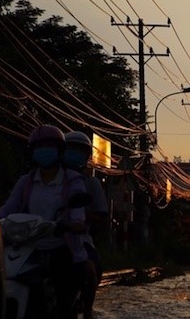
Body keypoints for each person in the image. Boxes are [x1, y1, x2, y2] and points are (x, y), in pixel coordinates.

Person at [0, 124, 89, 318]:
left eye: (49, 145)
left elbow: (77, 211)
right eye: (39, 147)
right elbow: (8, 208)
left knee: (63, 299)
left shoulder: (73, 180)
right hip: (27, 247)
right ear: (33, 152)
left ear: (59, 150)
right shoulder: (26, 181)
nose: (44, 150)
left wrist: (74, 223)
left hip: (60, 245)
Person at [64, 131, 108, 319]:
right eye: (70, 149)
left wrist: (82, 218)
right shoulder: (33, 180)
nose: (75, 153)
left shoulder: (91, 183)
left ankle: (87, 310)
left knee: (92, 269)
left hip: (78, 239)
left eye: (79, 150)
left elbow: (101, 216)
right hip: (42, 235)